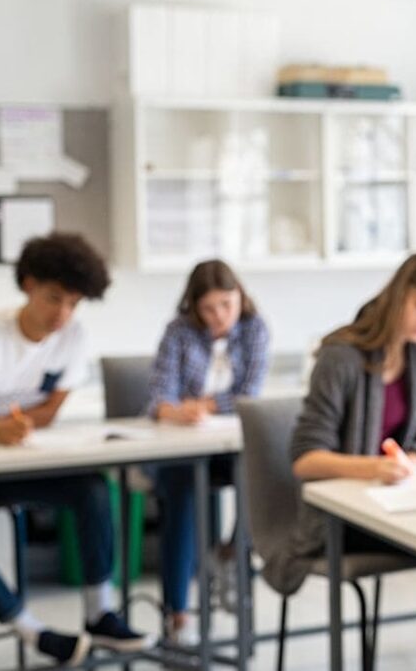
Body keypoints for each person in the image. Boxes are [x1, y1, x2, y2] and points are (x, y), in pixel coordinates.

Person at [0, 232, 152, 666]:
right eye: (53, 298)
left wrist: (14, 429)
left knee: (93, 490)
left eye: (73, 303)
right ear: (28, 285)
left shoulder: (73, 337)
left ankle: (100, 613)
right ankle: (31, 631)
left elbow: (48, 411)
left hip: (21, 464)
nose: (62, 313)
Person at [276, 251, 416, 671]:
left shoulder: (413, 354)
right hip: (341, 520)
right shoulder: (340, 356)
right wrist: (373, 467)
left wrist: (411, 458)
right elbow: (304, 460)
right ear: (398, 295)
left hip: (393, 505)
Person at [147, 259, 269, 642]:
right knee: (181, 493)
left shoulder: (254, 330)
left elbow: (249, 395)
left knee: (263, 473)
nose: (220, 316)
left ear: (240, 299)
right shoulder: (178, 333)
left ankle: (232, 555)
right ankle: (177, 614)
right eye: (209, 308)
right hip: (182, 447)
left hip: (230, 446)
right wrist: (174, 409)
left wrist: (207, 405)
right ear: (194, 308)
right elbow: (159, 396)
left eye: (227, 305)